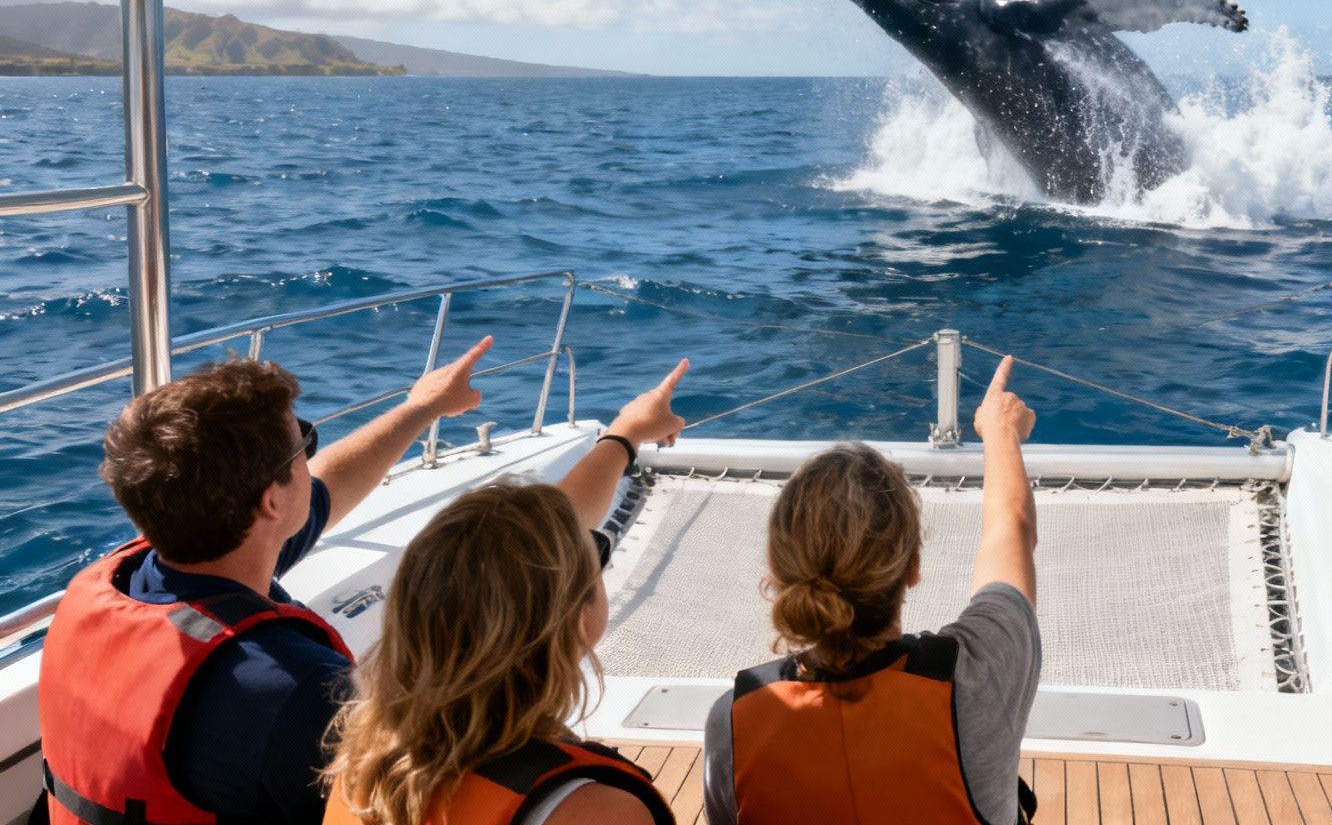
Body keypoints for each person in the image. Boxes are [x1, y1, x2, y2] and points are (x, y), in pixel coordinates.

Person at [39, 334, 500, 825]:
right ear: (272, 503)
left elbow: (326, 489)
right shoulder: (295, 692)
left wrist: (422, 407)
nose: (310, 456)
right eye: (304, 441)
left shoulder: (134, 576)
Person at [322, 358, 694, 825]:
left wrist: (624, 437)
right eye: (595, 551)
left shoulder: (364, 770)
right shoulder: (593, 813)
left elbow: (527, 549)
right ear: (575, 617)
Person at [702, 356, 1042, 825]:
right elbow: (1013, 532)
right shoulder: (977, 679)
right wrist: (1001, 431)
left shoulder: (734, 722)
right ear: (913, 567)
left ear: (780, 573)